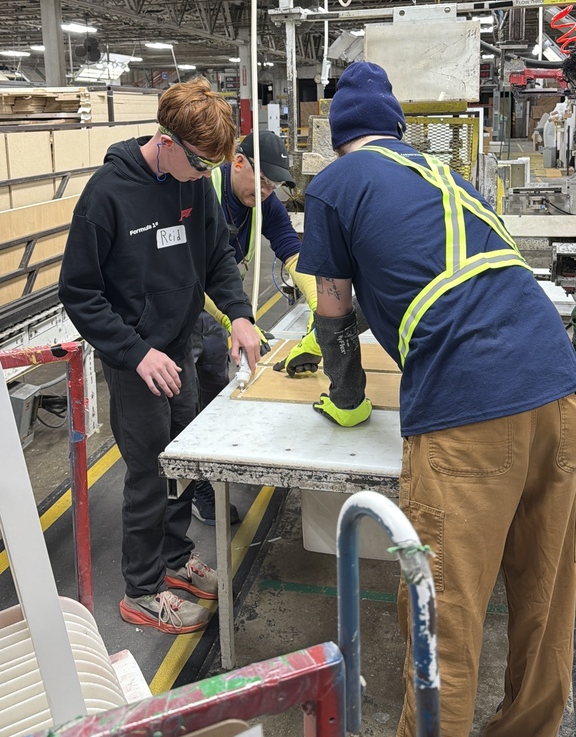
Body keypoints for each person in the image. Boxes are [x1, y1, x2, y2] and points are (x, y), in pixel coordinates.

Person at [297, 60, 576, 737]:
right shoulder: (442, 177)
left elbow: (332, 313)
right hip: (559, 385)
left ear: (338, 137)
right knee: (545, 595)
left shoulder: (334, 185)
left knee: (444, 612)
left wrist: (349, 397)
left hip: (470, 404)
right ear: (397, 129)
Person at [59, 78, 261, 636]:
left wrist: (239, 313)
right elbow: (78, 292)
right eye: (199, 163)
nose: (205, 175)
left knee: (182, 464)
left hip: (182, 346)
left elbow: (217, 254)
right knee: (148, 474)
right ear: (166, 141)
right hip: (136, 360)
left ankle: (175, 561)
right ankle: (142, 589)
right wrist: (134, 351)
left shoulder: (194, 186)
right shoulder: (107, 195)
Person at [191, 129, 320, 524]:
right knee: (185, 399)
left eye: (275, 184)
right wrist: (237, 320)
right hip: (183, 303)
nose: (266, 191)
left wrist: (323, 309)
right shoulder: (201, 194)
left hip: (222, 302)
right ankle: (195, 489)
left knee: (214, 389)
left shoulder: (263, 202)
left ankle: (212, 468)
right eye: (262, 181)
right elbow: (193, 278)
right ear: (238, 161)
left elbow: (291, 250)